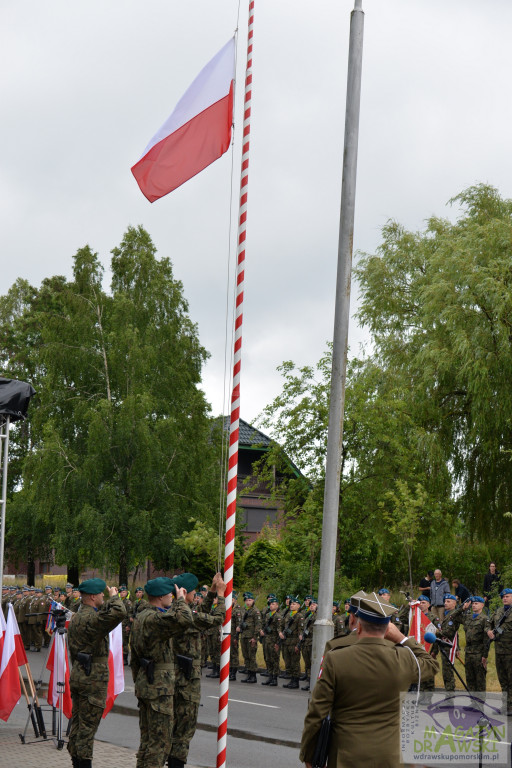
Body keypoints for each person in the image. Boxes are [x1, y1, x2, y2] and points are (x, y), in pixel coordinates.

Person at [299, 592, 438, 768]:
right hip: (389, 756)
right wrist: (402, 639)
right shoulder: (403, 658)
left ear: (360, 626)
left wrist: (309, 755)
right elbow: (431, 665)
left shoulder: (336, 659)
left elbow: (317, 712)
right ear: (388, 628)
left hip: (345, 755)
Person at [130, 576, 194, 768]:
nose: (172, 598)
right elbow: (185, 619)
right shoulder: (154, 619)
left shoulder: (142, 616)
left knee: (148, 740)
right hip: (159, 687)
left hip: (147, 682)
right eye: (170, 595)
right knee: (160, 743)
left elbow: (133, 659)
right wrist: (182, 599)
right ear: (160, 598)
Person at [168, 571, 226, 768]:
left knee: (173, 726)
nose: (195, 595)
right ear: (185, 592)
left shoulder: (173, 610)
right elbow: (216, 619)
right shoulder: (185, 615)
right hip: (185, 680)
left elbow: (200, 611)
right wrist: (221, 595)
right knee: (184, 730)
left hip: (172, 675)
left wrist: (211, 592)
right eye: (193, 592)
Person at [67, 579, 126, 768]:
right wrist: (115, 597)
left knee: (78, 726)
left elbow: (102, 610)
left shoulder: (77, 616)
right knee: (87, 730)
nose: (104, 595)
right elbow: (120, 612)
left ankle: (76, 762)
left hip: (79, 674)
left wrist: (106, 600)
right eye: (101, 593)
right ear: (92, 596)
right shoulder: (92, 619)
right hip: (92, 679)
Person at [487, 587, 512, 714]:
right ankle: (505, 705)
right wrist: (489, 631)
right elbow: (488, 623)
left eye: (507, 596)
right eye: (503, 597)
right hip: (499, 651)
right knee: (503, 680)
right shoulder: (498, 612)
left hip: (510, 652)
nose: (504, 598)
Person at [458, 595, 490, 692]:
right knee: (470, 678)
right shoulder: (468, 618)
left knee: (479, 679)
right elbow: (454, 616)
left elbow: (486, 639)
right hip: (468, 652)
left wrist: (485, 655)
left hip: (478, 653)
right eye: (473, 604)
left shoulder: (485, 619)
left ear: (482, 605)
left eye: (476, 604)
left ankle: (479, 704)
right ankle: (473, 702)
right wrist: (462, 609)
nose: (474, 606)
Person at [433, 593, 463, 692]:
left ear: (454, 604)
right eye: (445, 601)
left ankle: (450, 694)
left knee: (448, 672)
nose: (445, 603)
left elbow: (449, 632)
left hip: (449, 646)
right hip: (444, 645)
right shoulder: (447, 614)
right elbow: (456, 634)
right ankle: (448, 693)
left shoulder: (454, 615)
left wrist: (435, 632)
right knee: (445, 671)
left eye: (448, 601)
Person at [279, 596, 304, 689]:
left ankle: (295, 681)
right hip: (286, 642)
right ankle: (291, 679)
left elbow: (301, 631)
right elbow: (281, 625)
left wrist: (298, 644)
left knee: (295, 663)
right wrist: (280, 632)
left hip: (294, 642)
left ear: (298, 606)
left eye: (294, 604)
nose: (292, 605)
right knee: (288, 662)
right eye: (291, 604)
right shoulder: (288, 615)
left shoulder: (300, 616)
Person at [238, 591, 261, 683]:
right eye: (246, 600)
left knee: (252, 657)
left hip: (251, 637)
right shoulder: (243, 609)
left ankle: (253, 675)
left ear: (253, 601)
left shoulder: (255, 611)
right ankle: (248, 673)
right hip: (244, 636)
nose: (248, 602)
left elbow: (258, 625)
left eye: (250, 600)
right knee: (246, 656)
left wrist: (254, 637)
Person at [260, 596, 282, 687]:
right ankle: (269, 676)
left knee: (274, 659)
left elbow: (279, 630)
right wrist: (261, 630)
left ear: (277, 606)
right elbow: (263, 624)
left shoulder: (278, 616)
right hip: (266, 639)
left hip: (273, 641)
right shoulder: (268, 615)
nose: (271, 606)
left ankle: (274, 678)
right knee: (267, 658)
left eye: (273, 604)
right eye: (270, 604)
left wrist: (277, 643)